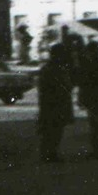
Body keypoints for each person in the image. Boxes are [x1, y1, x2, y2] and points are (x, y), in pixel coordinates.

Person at [36, 30, 76, 163]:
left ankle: (50, 153)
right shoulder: (54, 69)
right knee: (53, 130)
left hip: (52, 103)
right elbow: (63, 86)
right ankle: (49, 154)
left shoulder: (50, 68)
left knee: (53, 130)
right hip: (55, 103)